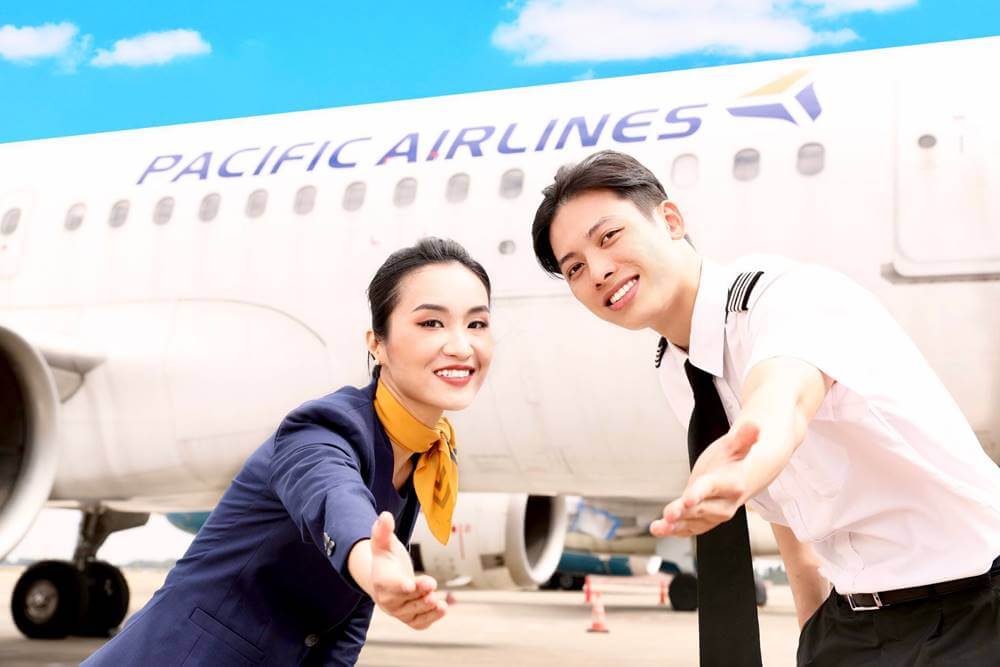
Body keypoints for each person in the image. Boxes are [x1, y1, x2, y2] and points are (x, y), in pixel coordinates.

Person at [530, 150, 1000, 666]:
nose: (597, 271)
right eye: (574, 268)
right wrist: (812, 633)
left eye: (609, 237)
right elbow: (789, 517)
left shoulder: (786, 295)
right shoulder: (677, 367)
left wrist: (745, 460)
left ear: (670, 220)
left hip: (976, 605)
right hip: (853, 623)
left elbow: (784, 401)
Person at [83, 237, 494, 666]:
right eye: (431, 323)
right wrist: (371, 563)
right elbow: (335, 497)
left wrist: (371, 583)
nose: (461, 346)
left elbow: (345, 621)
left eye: (476, 324)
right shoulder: (323, 427)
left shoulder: (419, 457)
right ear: (377, 343)